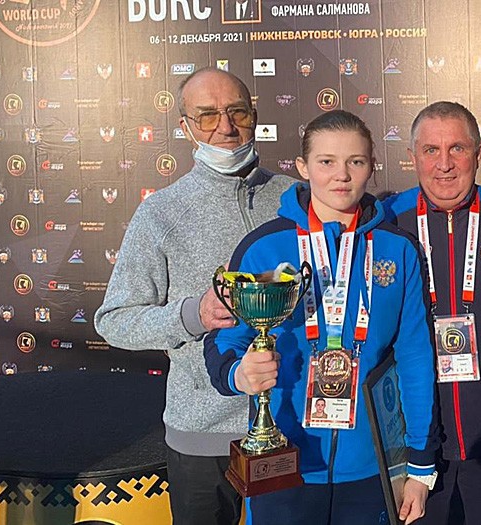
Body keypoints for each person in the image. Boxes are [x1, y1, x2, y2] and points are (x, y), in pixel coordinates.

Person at [204, 110, 439, 525]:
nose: (341, 175)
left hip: (371, 466)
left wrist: (420, 463)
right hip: (282, 462)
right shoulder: (263, 247)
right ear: (303, 167)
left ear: (372, 166)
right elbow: (225, 339)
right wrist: (238, 373)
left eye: (355, 161)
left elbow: (415, 356)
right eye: (326, 161)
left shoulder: (398, 249)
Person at [95, 67, 293, 525]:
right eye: (207, 116)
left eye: (237, 112)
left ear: (254, 115)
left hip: (293, 426)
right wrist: (191, 315)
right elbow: (114, 320)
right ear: (185, 127)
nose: (225, 127)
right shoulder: (161, 213)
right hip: (203, 436)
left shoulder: (296, 199)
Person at [384, 101, 481, 525]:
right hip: (414, 445)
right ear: (412, 156)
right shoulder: (387, 222)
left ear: (479, 153)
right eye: (430, 150)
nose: (444, 164)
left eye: (457, 149)